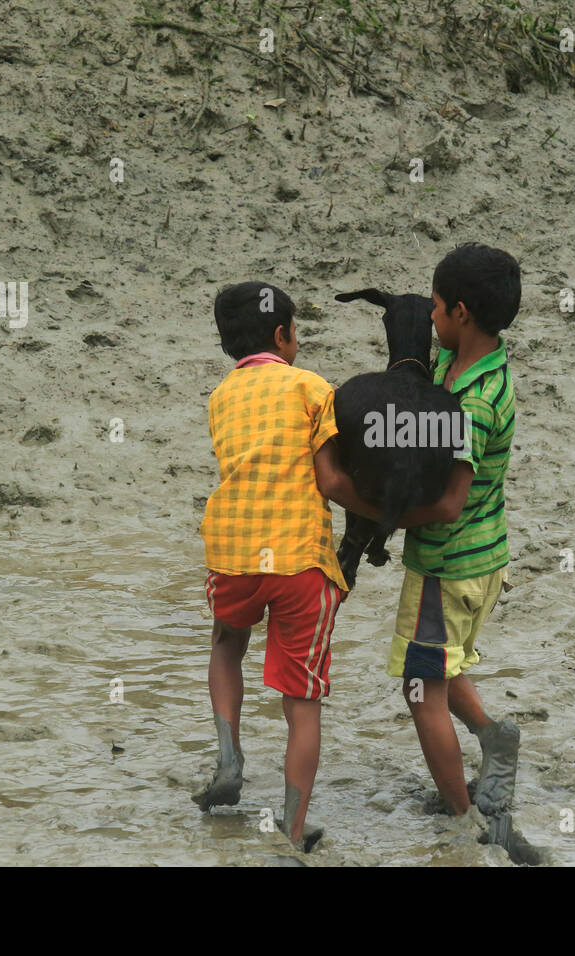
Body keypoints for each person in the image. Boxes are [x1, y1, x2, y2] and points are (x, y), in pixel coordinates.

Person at [194, 280, 377, 852]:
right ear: (283, 334)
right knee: (302, 702)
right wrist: (383, 510)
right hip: (299, 558)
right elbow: (331, 480)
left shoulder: (220, 396)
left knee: (227, 643)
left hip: (233, 552)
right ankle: (291, 835)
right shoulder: (312, 387)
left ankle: (229, 759)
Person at [388, 245, 522, 846]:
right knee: (444, 667)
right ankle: (494, 737)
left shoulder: (471, 405)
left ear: (461, 312)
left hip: (446, 564)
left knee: (420, 692)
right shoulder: (476, 366)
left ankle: (460, 814)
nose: (432, 318)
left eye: (437, 307)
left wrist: (367, 505)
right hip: (483, 561)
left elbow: (447, 503)